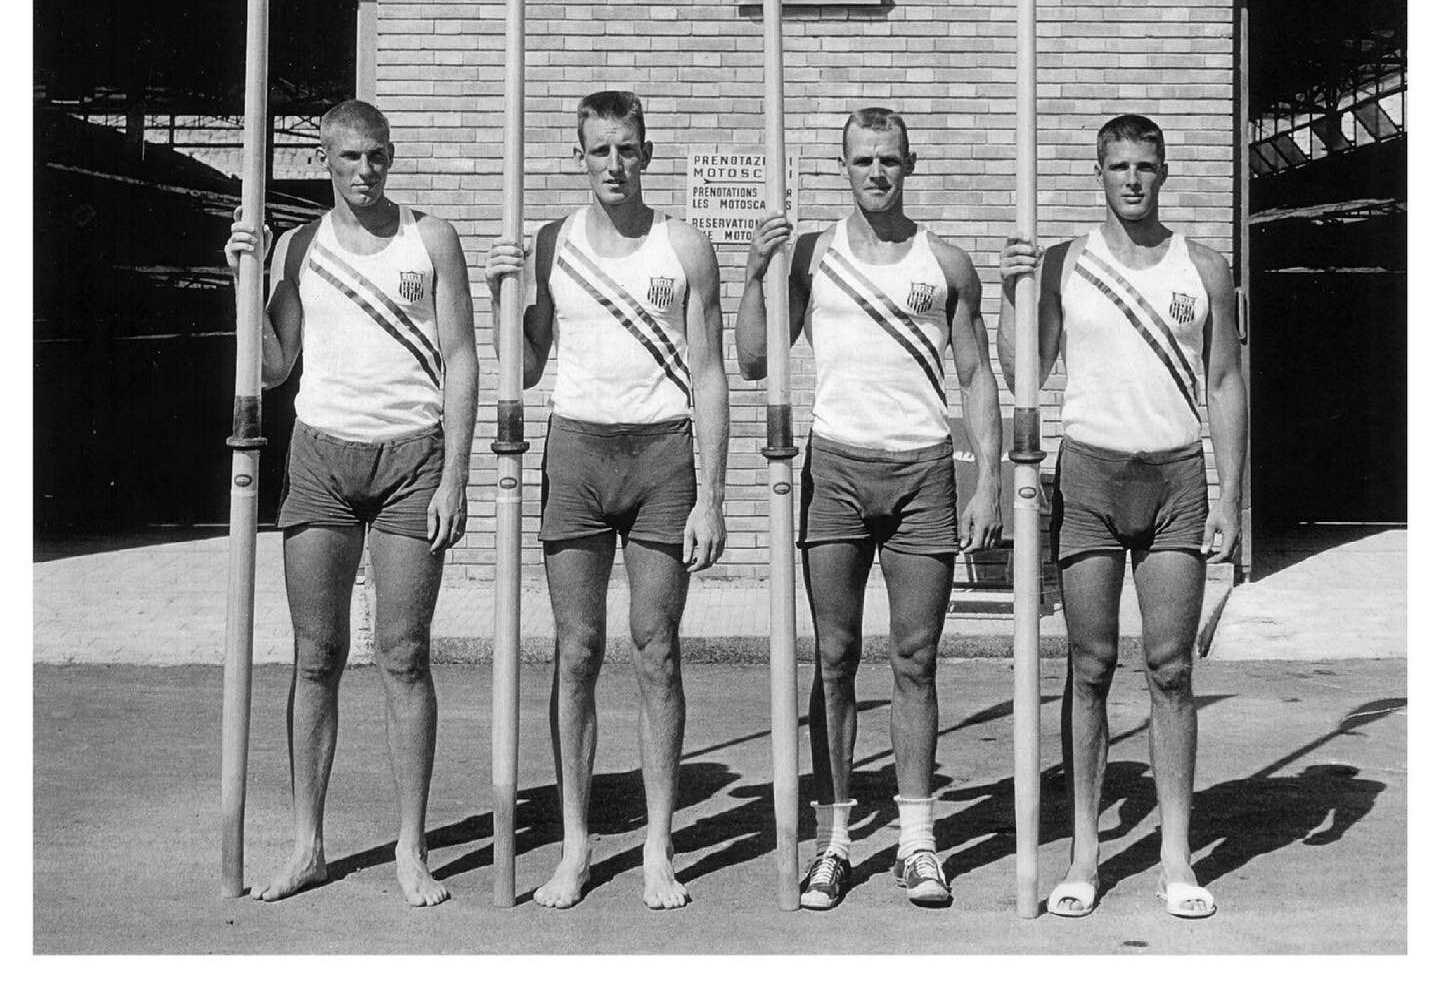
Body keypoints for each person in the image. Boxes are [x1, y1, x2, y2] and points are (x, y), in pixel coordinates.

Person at [736, 106, 1003, 911]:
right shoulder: (810, 257)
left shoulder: (947, 263)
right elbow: (753, 360)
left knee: (917, 659)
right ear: (842, 167)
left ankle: (920, 842)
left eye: (889, 160)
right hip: (837, 469)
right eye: (862, 161)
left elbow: (978, 375)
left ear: (909, 163)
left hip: (922, 469)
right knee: (836, 657)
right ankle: (835, 841)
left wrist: (987, 478)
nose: (877, 173)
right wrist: (755, 275)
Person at [225, 98, 478, 906]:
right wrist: (241, 284)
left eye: (377, 157)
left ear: (391, 156)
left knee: (403, 655)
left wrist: (456, 475)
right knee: (316, 655)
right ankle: (308, 844)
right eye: (348, 159)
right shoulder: (299, 247)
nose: (365, 172)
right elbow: (271, 365)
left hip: (412, 457)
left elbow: (464, 359)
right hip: (322, 456)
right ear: (325, 162)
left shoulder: (430, 238)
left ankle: (412, 848)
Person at [998, 112, 1248, 921]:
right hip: (1092, 477)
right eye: (1117, 167)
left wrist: (1232, 497)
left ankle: (1178, 856)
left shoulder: (1202, 267)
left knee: (1171, 670)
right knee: (1091, 666)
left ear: (1165, 171)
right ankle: (1083, 855)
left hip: (1175, 476)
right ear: (1098, 173)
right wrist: (1012, 293)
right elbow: (1023, 368)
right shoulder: (1068, 263)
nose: (1132, 179)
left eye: (1145, 166)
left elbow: (1226, 384)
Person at [484, 90, 729, 911]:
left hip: (661, 455)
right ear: (580, 157)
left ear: (647, 153)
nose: (614, 165)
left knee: (655, 650)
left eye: (627, 149)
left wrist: (713, 496)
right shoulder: (552, 244)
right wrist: (498, 297)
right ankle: (578, 845)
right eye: (598, 151)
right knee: (577, 652)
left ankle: (660, 848)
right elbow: (519, 369)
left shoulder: (683, 245)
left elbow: (713, 373)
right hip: (579, 451)